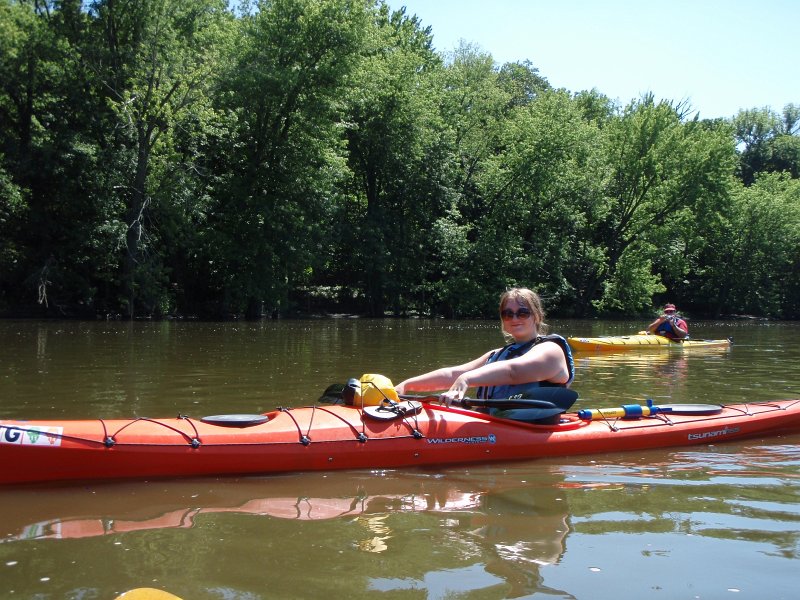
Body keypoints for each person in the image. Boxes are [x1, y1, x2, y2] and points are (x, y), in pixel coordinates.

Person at [395, 287, 574, 405]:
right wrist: (406, 385)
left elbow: (514, 372)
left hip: (534, 428)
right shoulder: (496, 355)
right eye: (507, 314)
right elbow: (452, 374)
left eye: (522, 313)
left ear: (536, 316)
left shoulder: (551, 350)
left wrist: (466, 380)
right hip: (493, 424)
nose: (514, 318)